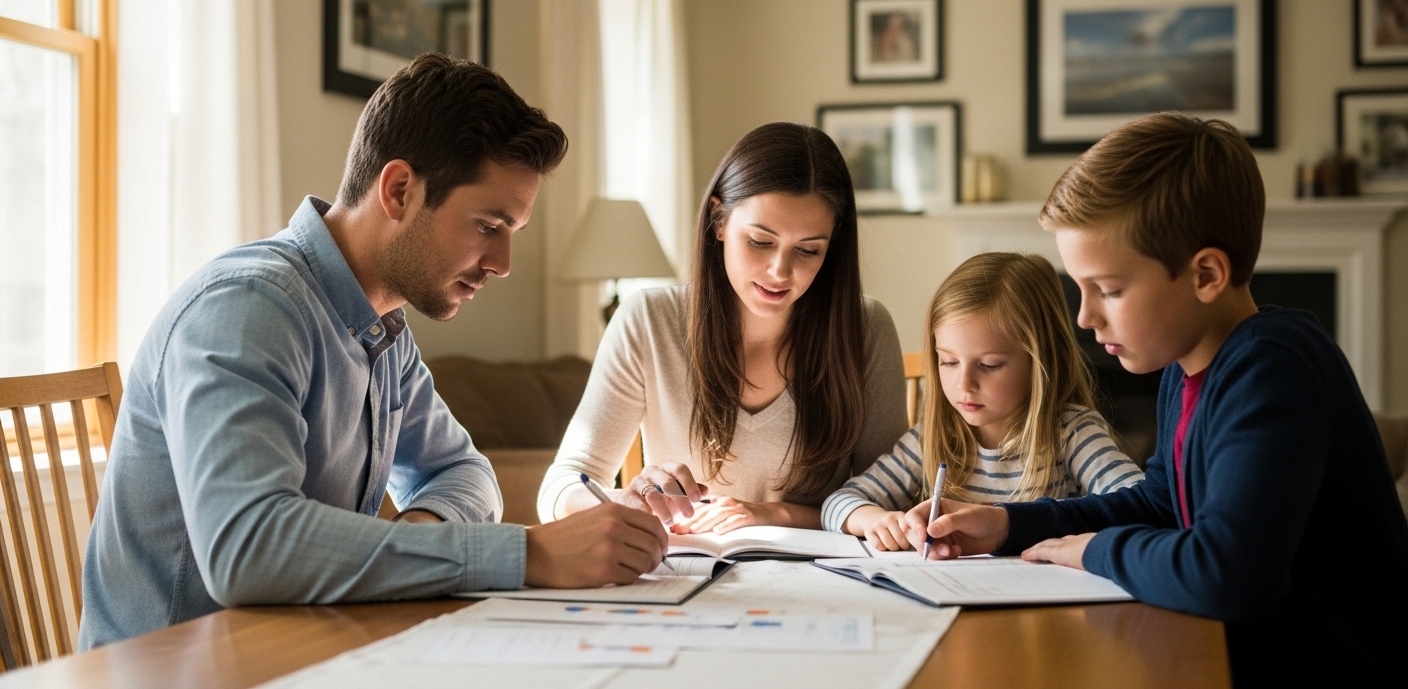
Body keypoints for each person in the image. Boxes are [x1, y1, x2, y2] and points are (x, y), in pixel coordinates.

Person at [80, 54, 670, 649]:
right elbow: (247, 547)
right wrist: (525, 554)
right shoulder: (247, 310)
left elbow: (465, 473)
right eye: (489, 226)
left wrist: (419, 544)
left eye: (510, 234)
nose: (502, 265)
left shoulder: (382, 328)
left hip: (307, 654)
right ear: (399, 190)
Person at [907, 113, 1408, 680]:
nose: (1085, 316)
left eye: (1110, 290)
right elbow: (1159, 504)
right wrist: (1005, 524)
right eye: (1080, 289)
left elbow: (1228, 577)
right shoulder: (1187, 367)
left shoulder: (1273, 367)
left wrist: (1094, 550)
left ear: (1206, 275)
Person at [538, 122, 909, 534]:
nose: (780, 271)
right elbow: (562, 484)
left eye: (808, 250)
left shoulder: (867, 328)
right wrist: (623, 501)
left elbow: (891, 497)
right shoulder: (648, 320)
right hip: (696, 576)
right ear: (719, 220)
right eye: (760, 241)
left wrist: (773, 514)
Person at [822, 252, 1142, 550]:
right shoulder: (932, 439)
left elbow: (1140, 504)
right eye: (948, 362)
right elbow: (839, 502)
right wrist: (874, 519)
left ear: (1042, 360)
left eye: (989, 365)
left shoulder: (1072, 432)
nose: (965, 384)